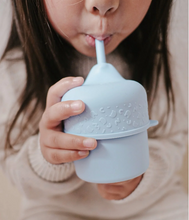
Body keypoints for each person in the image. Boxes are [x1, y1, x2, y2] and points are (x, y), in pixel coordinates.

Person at [0, 0, 187, 219]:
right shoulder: (16, 68)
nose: (103, 3)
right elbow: (17, 173)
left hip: (154, 203)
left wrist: (141, 174)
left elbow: (174, 140)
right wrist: (48, 158)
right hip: (56, 208)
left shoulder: (164, 57)